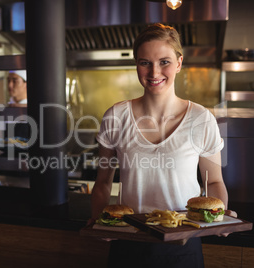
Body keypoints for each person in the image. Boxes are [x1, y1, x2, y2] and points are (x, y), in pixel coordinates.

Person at [89, 23, 235, 267]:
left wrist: (219, 217)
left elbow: (213, 182)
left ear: (179, 63)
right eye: (145, 62)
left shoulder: (201, 119)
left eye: (164, 62)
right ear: (136, 64)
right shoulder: (116, 116)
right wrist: (98, 221)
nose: (154, 72)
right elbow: (103, 181)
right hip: (128, 240)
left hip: (184, 242)